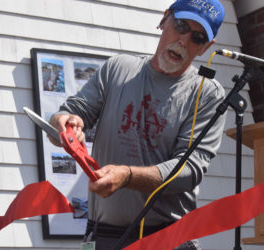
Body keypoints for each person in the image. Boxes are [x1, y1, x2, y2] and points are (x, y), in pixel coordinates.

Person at [49, 0, 226, 249]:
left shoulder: (206, 93)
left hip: (167, 238)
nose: (184, 40)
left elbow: (189, 169)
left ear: (206, 47)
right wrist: (65, 123)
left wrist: (127, 176)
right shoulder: (117, 68)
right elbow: (71, 114)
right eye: (180, 25)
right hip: (103, 236)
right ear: (164, 19)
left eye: (197, 37)